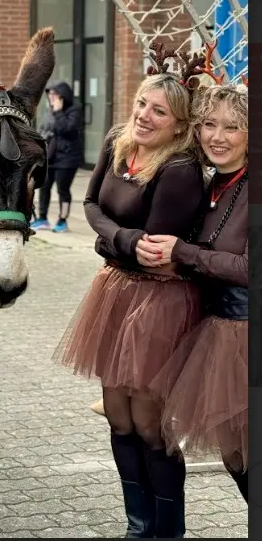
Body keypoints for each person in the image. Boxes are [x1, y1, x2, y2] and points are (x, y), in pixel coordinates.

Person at [53, 47, 207, 538]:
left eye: (159, 111)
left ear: (179, 126)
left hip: (159, 300)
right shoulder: (121, 143)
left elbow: (152, 252)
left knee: (148, 422)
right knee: (118, 415)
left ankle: (169, 529)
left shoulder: (178, 169)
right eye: (143, 103)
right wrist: (118, 238)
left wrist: (113, 241)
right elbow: (92, 203)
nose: (145, 115)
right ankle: (137, 525)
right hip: (117, 292)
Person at [147, 82, 248, 503]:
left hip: (245, 335)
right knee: (235, 457)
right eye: (209, 124)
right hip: (216, 332)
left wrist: (183, 251)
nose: (217, 137)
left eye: (232, 127)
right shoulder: (211, 185)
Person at [31, 80, 81, 232]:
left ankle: (62, 220)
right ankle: (42, 218)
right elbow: (42, 129)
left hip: (67, 158)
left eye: (55, 94)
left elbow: (66, 129)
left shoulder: (74, 111)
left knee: (63, 190)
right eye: (50, 94)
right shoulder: (49, 110)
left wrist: (58, 112)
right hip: (50, 157)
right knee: (44, 187)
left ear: (63, 96)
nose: (51, 97)